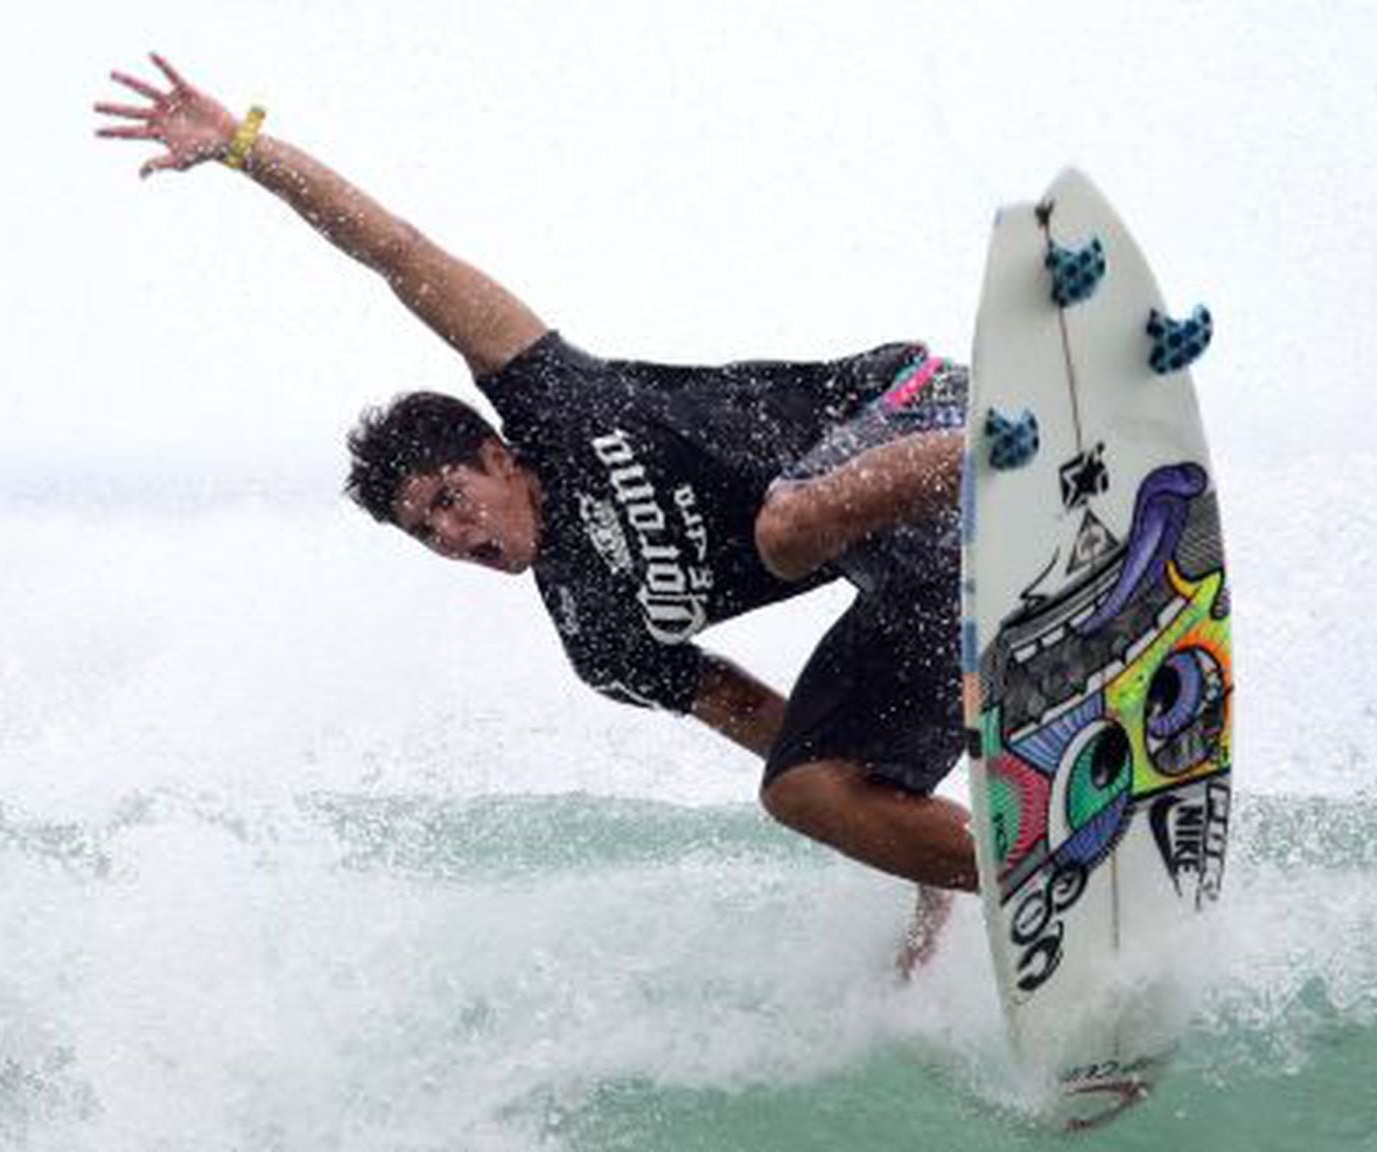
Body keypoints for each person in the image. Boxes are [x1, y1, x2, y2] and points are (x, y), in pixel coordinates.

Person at [95, 54, 975, 972]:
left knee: (782, 532)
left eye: (446, 499)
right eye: (425, 533)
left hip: (909, 414)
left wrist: (245, 149)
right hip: (915, 574)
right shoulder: (600, 637)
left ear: (495, 455)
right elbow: (752, 711)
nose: (450, 534)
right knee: (798, 791)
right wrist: (897, 830)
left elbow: (398, 252)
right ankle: (1038, 865)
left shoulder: (555, 401)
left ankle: (1011, 450)